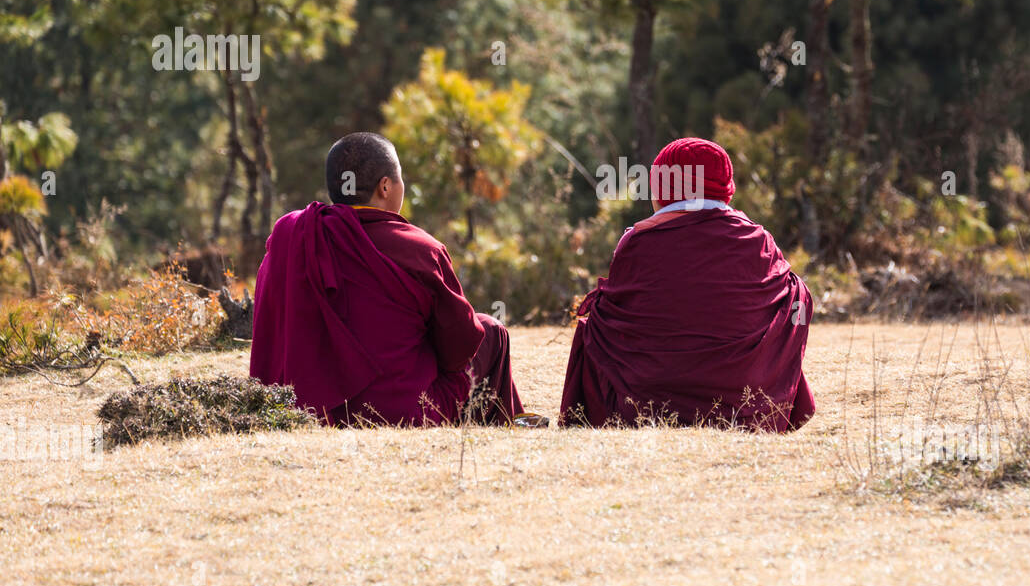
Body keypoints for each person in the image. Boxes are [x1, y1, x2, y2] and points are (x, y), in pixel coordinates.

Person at [250, 132, 541, 427]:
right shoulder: (421, 249)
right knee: (491, 329)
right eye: (400, 178)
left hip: (305, 411)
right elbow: (460, 345)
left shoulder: (294, 236)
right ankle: (505, 427)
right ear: (385, 186)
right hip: (404, 412)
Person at [559, 137, 815, 431]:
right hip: (745, 407)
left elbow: (616, 320)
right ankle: (771, 404)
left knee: (598, 320)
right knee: (795, 294)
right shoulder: (759, 241)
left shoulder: (636, 243)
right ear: (724, 186)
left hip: (648, 407)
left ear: (664, 186)